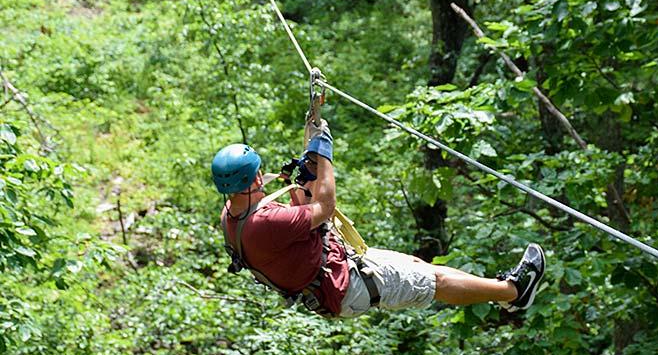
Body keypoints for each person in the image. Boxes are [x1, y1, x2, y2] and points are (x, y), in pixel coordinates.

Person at [212, 116, 545, 318]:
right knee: (435, 283)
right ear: (255, 179)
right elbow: (323, 208)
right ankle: (513, 291)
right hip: (344, 284)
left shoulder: (233, 216)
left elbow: (301, 209)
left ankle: (504, 295)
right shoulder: (265, 224)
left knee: (421, 269)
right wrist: (323, 153)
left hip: (336, 270)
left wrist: (306, 168)